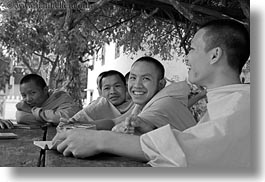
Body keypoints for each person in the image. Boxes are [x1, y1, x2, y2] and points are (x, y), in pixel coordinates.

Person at [52, 19, 250, 167]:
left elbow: (190, 152)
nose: (186, 56)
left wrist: (100, 140)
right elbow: (200, 142)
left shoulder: (243, 106)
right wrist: (150, 131)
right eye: (132, 77)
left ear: (214, 55)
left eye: (191, 49)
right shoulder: (226, 101)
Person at [112, 56, 196, 134]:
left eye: (146, 79)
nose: (137, 85)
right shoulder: (141, 105)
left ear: (161, 84)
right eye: (133, 78)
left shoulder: (164, 104)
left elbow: (147, 122)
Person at [65, 70, 134, 130]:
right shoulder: (96, 107)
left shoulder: (135, 106)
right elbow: (73, 123)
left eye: (117, 86)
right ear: (101, 92)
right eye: (107, 88)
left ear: (125, 87)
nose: (113, 91)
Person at [15, 74, 80, 125]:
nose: (28, 99)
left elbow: (67, 117)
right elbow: (20, 117)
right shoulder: (25, 104)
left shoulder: (59, 97)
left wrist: (32, 111)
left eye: (33, 93)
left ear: (45, 90)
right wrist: (51, 121)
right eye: (24, 95)